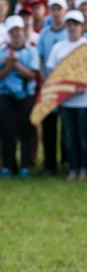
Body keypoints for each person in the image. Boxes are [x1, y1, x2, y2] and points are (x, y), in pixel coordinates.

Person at [46, 10, 87, 180]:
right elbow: (53, 72)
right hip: (66, 100)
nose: (72, 27)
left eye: (76, 24)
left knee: (83, 136)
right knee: (69, 136)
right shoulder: (58, 47)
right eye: (70, 24)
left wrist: (82, 84)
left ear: (82, 26)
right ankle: (73, 169)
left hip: (85, 100)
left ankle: (84, 168)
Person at [0, 16, 40, 177]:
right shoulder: (2, 52)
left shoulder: (31, 51)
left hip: (25, 95)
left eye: (18, 30)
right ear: (9, 33)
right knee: (7, 131)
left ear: (23, 32)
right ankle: (8, 166)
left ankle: (24, 165)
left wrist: (15, 65)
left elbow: (32, 75)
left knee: (25, 130)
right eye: (13, 31)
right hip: (5, 94)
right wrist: (8, 67)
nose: (16, 34)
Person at [37, 0, 68, 175]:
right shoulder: (45, 34)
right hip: (49, 87)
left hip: (64, 88)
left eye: (59, 9)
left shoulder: (69, 32)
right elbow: (41, 59)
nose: (56, 13)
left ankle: (65, 161)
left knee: (66, 127)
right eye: (53, 9)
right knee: (49, 127)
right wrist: (44, 79)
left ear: (64, 11)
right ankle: (49, 164)